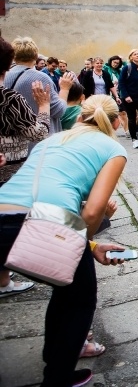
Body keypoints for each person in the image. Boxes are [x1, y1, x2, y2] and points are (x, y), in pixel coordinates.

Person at [0, 94, 128, 386]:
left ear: (78, 117)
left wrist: (90, 248)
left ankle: (53, 355)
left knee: (65, 289)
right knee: (79, 300)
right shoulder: (113, 148)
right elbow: (94, 210)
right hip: (48, 222)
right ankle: (57, 377)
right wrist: (86, 243)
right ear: (117, 122)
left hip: (3, 212)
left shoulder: (49, 142)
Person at [0, 35, 51, 296]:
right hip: (10, 168)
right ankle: (5, 278)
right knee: (9, 220)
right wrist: (43, 106)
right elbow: (38, 133)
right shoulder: (8, 99)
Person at [3, 36, 70, 138]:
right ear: (35, 56)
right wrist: (65, 89)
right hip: (39, 141)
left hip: (15, 141)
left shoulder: (5, 76)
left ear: (14, 56)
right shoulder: (40, 78)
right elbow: (59, 111)